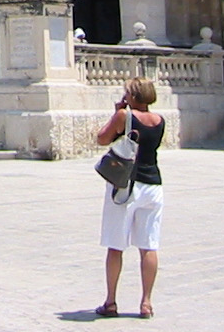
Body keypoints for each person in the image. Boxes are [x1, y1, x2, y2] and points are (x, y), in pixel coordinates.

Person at [95, 77, 164, 320]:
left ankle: (111, 301)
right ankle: (146, 302)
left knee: (116, 245)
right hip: (153, 185)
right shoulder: (159, 121)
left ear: (132, 95)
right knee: (149, 246)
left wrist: (117, 113)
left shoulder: (125, 116)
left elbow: (102, 138)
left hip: (127, 185)